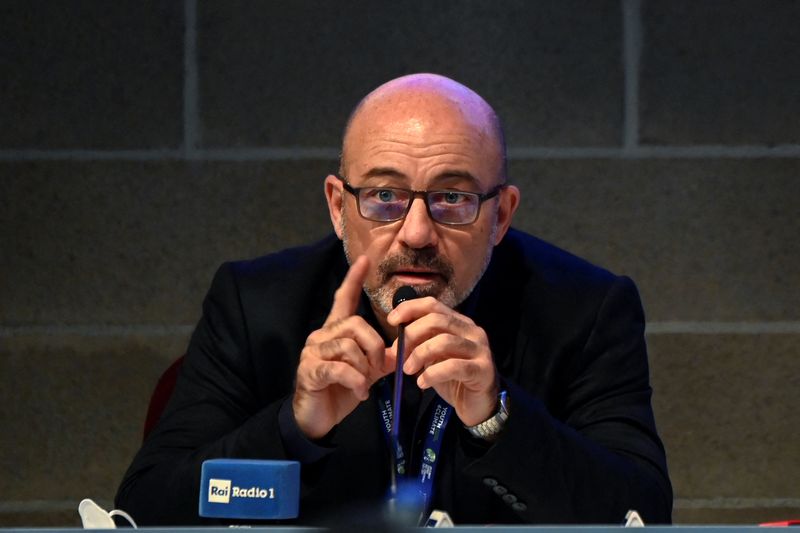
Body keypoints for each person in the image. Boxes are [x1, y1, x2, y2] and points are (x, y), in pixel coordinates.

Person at [115, 73, 672, 525]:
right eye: (384, 197)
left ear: (501, 215)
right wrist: (292, 429)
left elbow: (642, 512)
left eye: (452, 197)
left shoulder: (587, 310)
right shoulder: (254, 305)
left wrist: (496, 421)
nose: (416, 233)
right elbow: (145, 509)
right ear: (338, 207)